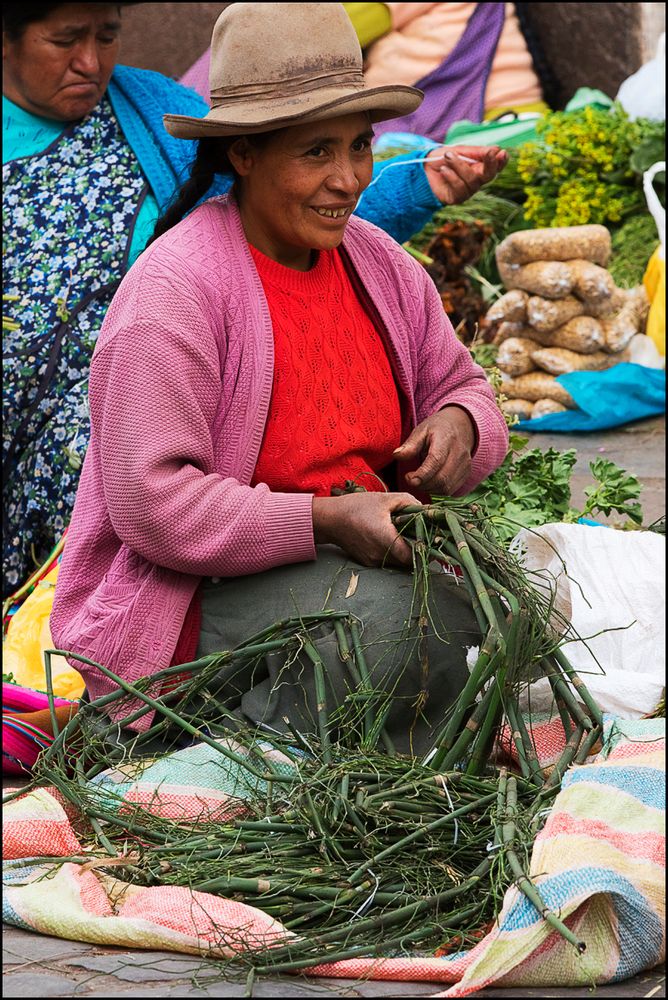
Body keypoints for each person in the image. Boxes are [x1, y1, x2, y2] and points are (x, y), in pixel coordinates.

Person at [49, 2, 509, 756]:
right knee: (395, 632)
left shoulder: (381, 266)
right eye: (315, 153)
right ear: (244, 154)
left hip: (357, 565)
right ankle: (226, 758)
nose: (348, 179)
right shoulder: (178, 290)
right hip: (197, 598)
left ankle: (366, 749)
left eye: (359, 147)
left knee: (494, 610)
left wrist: (460, 425)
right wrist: (320, 521)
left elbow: (466, 390)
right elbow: (152, 506)